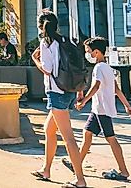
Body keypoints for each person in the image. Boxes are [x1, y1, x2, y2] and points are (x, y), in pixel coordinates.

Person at [31, 11, 87, 187]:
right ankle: (46, 169)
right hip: (69, 89)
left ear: (41, 27)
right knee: (49, 130)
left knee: (68, 137)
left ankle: (80, 179)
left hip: (56, 92)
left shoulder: (46, 43)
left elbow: (47, 69)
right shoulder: (64, 41)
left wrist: (35, 60)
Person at [69, 36, 131, 182]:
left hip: (101, 109)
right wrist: (127, 105)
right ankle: (76, 163)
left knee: (111, 138)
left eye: (89, 51)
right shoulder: (108, 68)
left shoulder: (98, 68)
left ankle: (124, 172)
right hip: (98, 109)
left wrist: (83, 101)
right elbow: (116, 88)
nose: (88, 54)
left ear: (97, 52)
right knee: (87, 134)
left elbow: (96, 86)